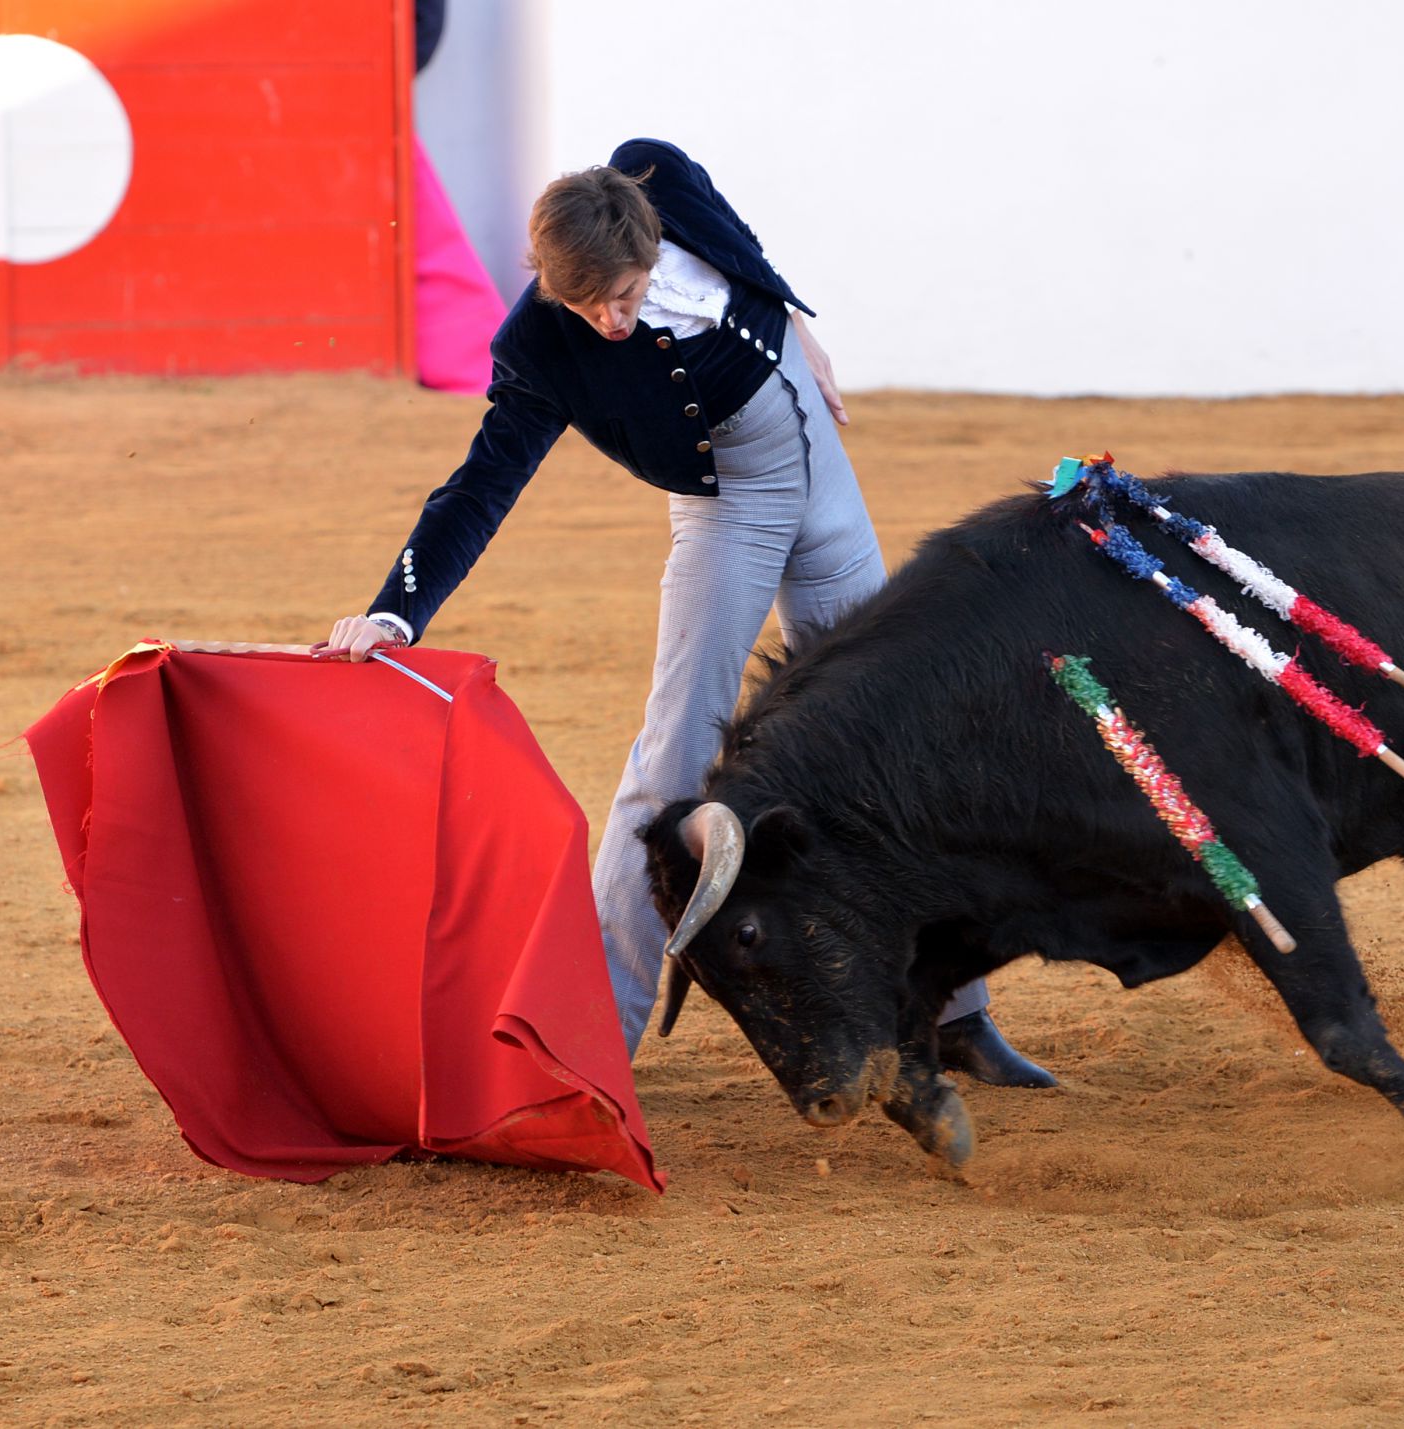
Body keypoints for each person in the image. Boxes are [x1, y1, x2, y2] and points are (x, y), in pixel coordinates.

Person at [322, 138, 1052, 1086]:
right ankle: (586, 1038)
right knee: (673, 757)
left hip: (823, 475)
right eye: (584, 304)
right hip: (732, 510)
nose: (609, 321)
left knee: (900, 732)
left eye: (623, 295)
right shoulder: (540, 348)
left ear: (651, 246)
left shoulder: (658, 172)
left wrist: (793, 318)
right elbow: (479, 485)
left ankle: (952, 1013)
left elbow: (739, 242)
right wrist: (394, 613)